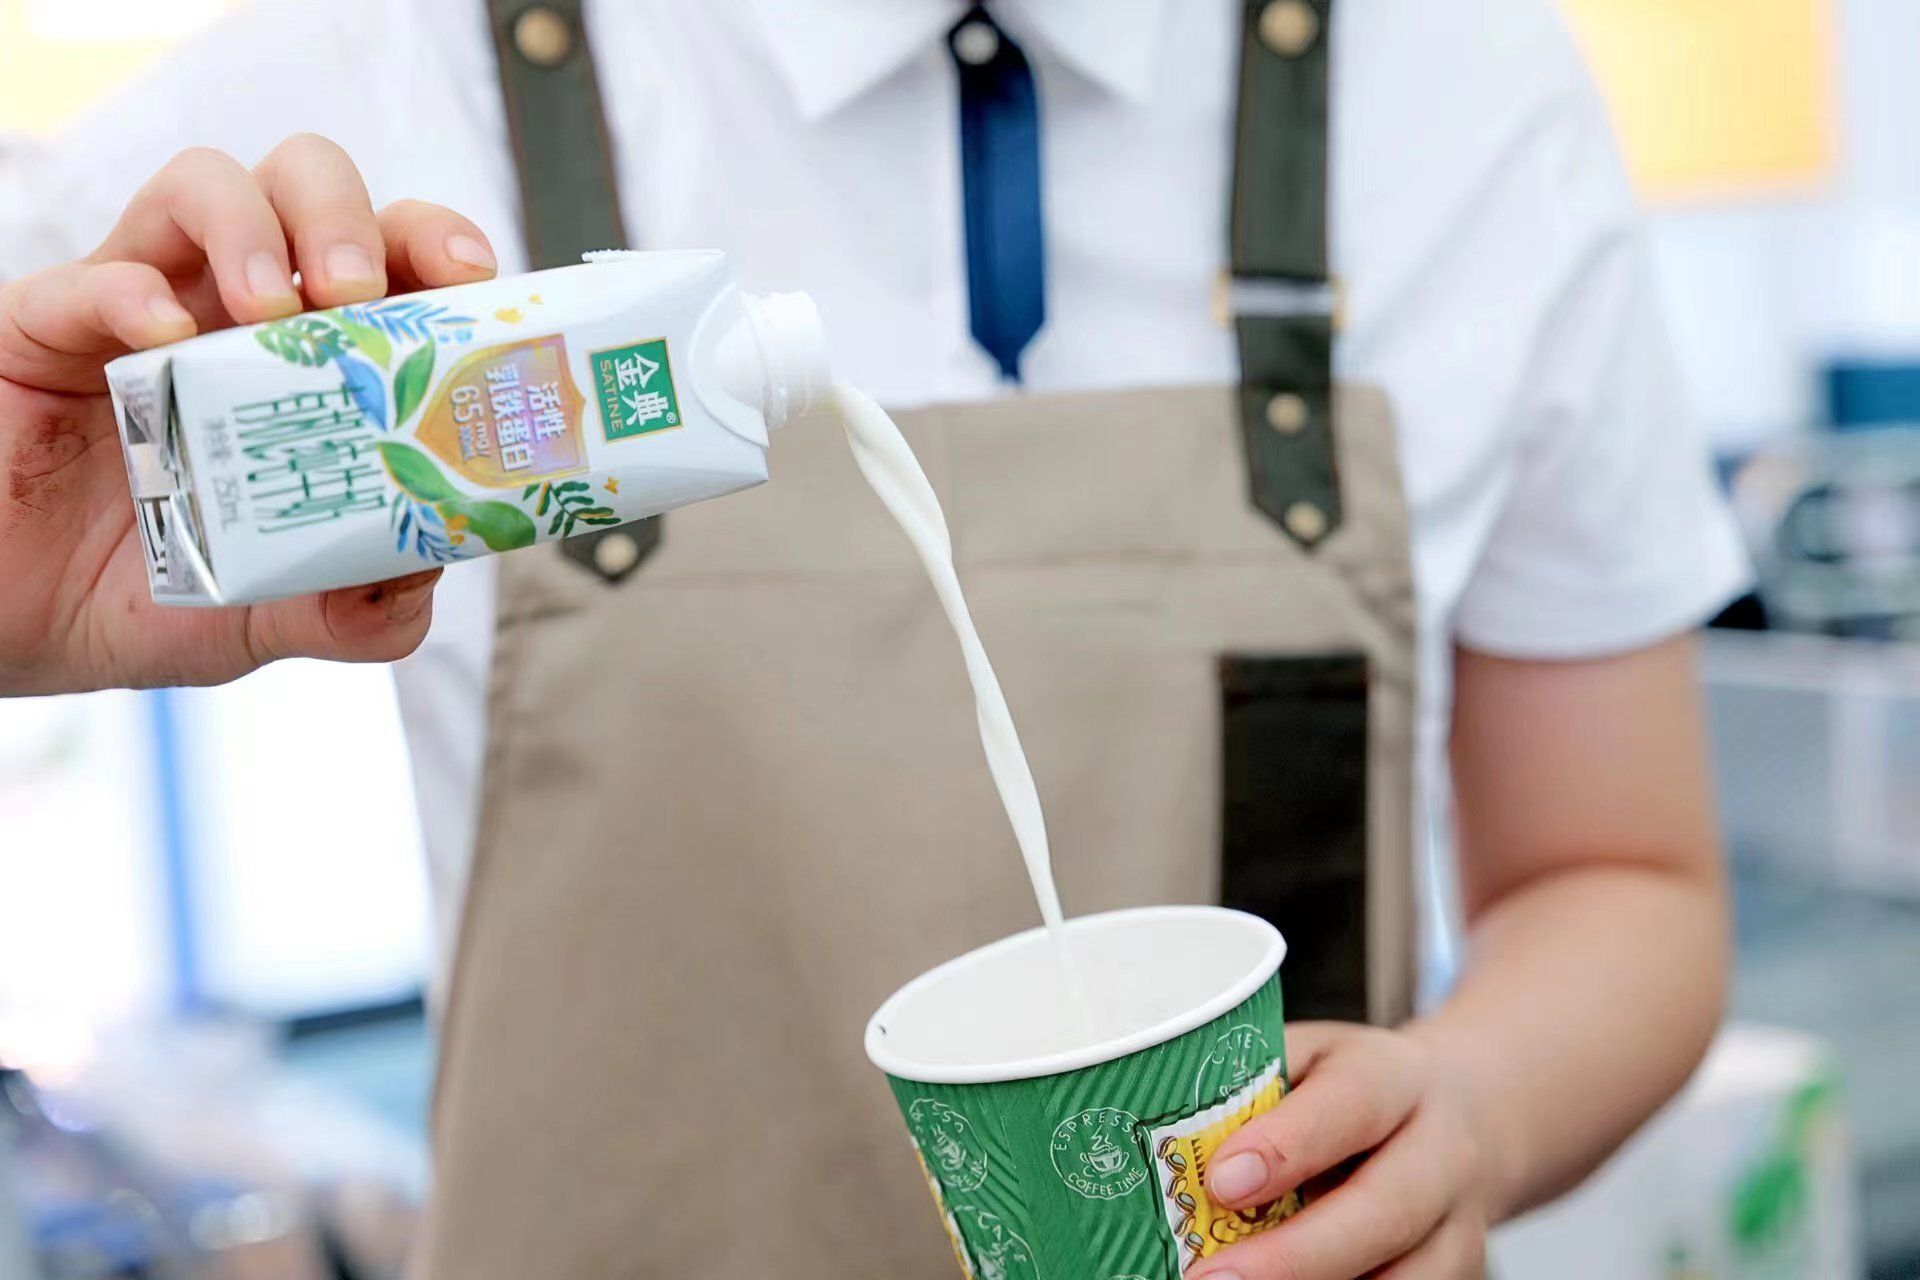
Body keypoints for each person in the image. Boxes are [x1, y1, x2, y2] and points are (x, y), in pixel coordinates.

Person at [0, 1, 1748, 1276]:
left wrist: (1476, 1112)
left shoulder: (1462, 86)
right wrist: (29, 575)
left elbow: (1620, 874)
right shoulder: (374, 69)